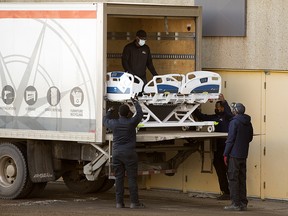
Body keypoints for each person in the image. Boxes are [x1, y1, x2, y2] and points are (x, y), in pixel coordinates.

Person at [103, 97, 145, 209]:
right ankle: (134, 203)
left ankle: (119, 203)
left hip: (116, 153)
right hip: (129, 153)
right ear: (128, 114)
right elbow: (140, 113)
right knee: (131, 178)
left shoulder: (114, 123)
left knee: (119, 178)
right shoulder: (132, 122)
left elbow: (105, 121)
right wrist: (135, 102)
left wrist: (109, 112)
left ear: (119, 113)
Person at [193, 93, 234, 200]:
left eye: (218, 106)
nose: (216, 108)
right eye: (216, 107)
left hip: (227, 149)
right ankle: (225, 192)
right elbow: (202, 117)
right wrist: (193, 107)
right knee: (220, 170)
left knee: (229, 171)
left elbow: (228, 112)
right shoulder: (215, 117)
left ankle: (234, 192)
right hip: (218, 149)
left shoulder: (228, 117)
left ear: (222, 108)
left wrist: (224, 101)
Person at [223, 103, 253, 211]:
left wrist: (225, 153)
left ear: (235, 111)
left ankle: (235, 203)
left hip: (234, 155)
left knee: (233, 178)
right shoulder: (248, 122)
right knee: (242, 178)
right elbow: (250, 138)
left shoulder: (234, 122)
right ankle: (243, 202)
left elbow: (230, 140)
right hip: (243, 154)